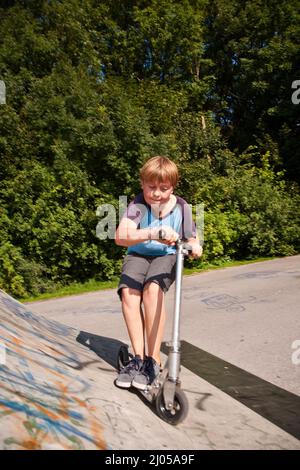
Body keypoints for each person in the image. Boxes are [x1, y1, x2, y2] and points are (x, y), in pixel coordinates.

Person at [114, 156, 202, 390]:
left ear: (173, 186)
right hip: (138, 254)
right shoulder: (137, 205)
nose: (156, 194)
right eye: (151, 187)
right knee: (129, 294)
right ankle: (138, 358)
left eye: (164, 189)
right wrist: (153, 233)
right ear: (142, 184)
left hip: (166, 255)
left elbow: (192, 237)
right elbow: (121, 236)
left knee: (152, 291)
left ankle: (153, 360)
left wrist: (195, 246)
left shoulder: (182, 206)